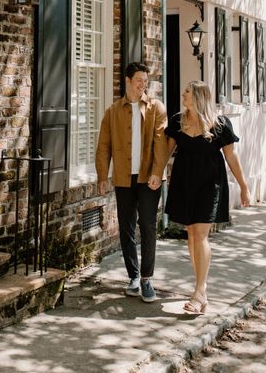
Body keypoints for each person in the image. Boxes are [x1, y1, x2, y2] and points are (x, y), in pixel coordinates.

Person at [165, 80, 250, 314]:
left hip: (210, 185)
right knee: (191, 235)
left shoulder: (220, 124)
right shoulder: (177, 121)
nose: (183, 94)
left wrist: (244, 186)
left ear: (199, 97)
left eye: (187, 92)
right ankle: (201, 287)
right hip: (184, 183)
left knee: (201, 234)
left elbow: (232, 158)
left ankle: (199, 292)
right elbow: (167, 151)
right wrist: (155, 173)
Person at [95, 62, 167, 303]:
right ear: (127, 81)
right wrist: (102, 176)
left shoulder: (156, 108)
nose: (143, 85)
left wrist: (158, 171)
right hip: (124, 178)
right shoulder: (113, 112)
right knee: (126, 229)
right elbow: (103, 147)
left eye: (145, 81)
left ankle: (147, 278)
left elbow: (161, 143)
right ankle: (133, 277)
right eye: (139, 80)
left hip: (149, 178)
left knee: (147, 226)